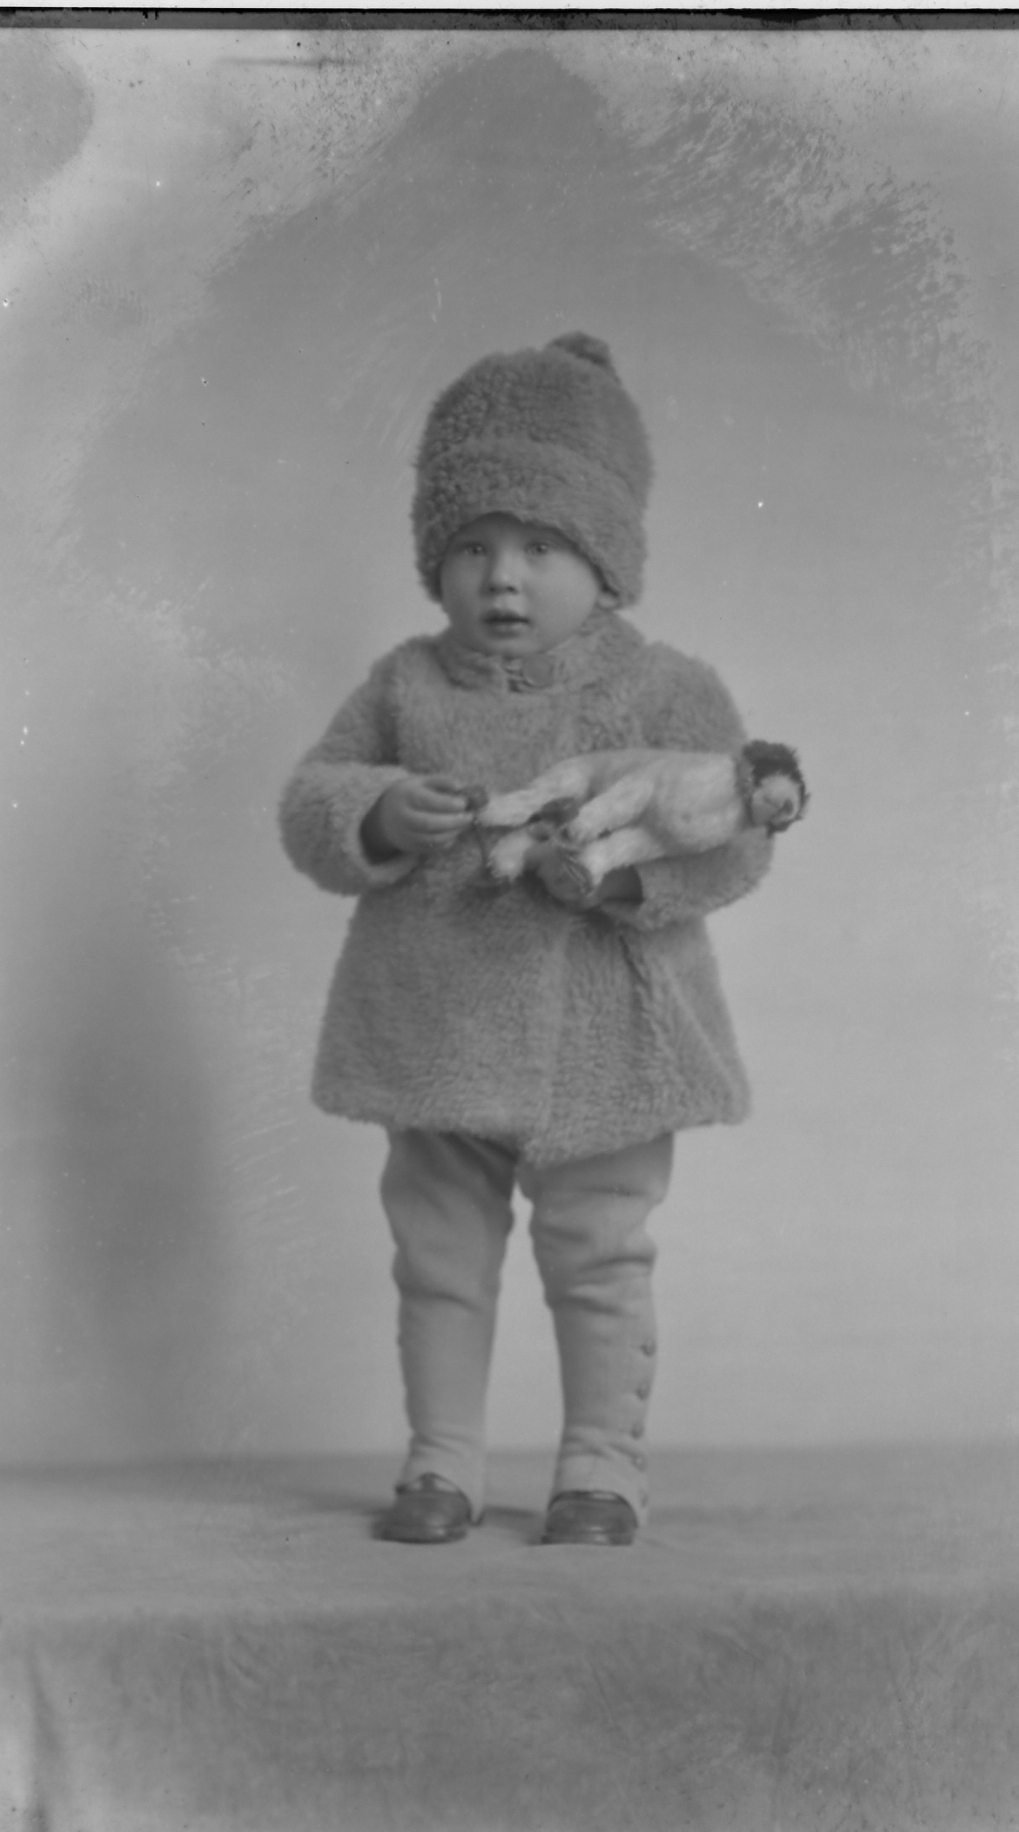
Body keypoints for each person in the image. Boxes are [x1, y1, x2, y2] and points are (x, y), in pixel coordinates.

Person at [279, 332, 779, 1547]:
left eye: (540, 546)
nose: (502, 579)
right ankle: (441, 1463)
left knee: (598, 1255)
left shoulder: (668, 689)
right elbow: (310, 798)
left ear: (605, 560)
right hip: (435, 1026)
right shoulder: (404, 684)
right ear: (434, 558)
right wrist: (378, 810)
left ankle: (600, 1468)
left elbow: (733, 841)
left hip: (607, 1043)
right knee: (439, 1257)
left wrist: (620, 880)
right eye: (473, 546)